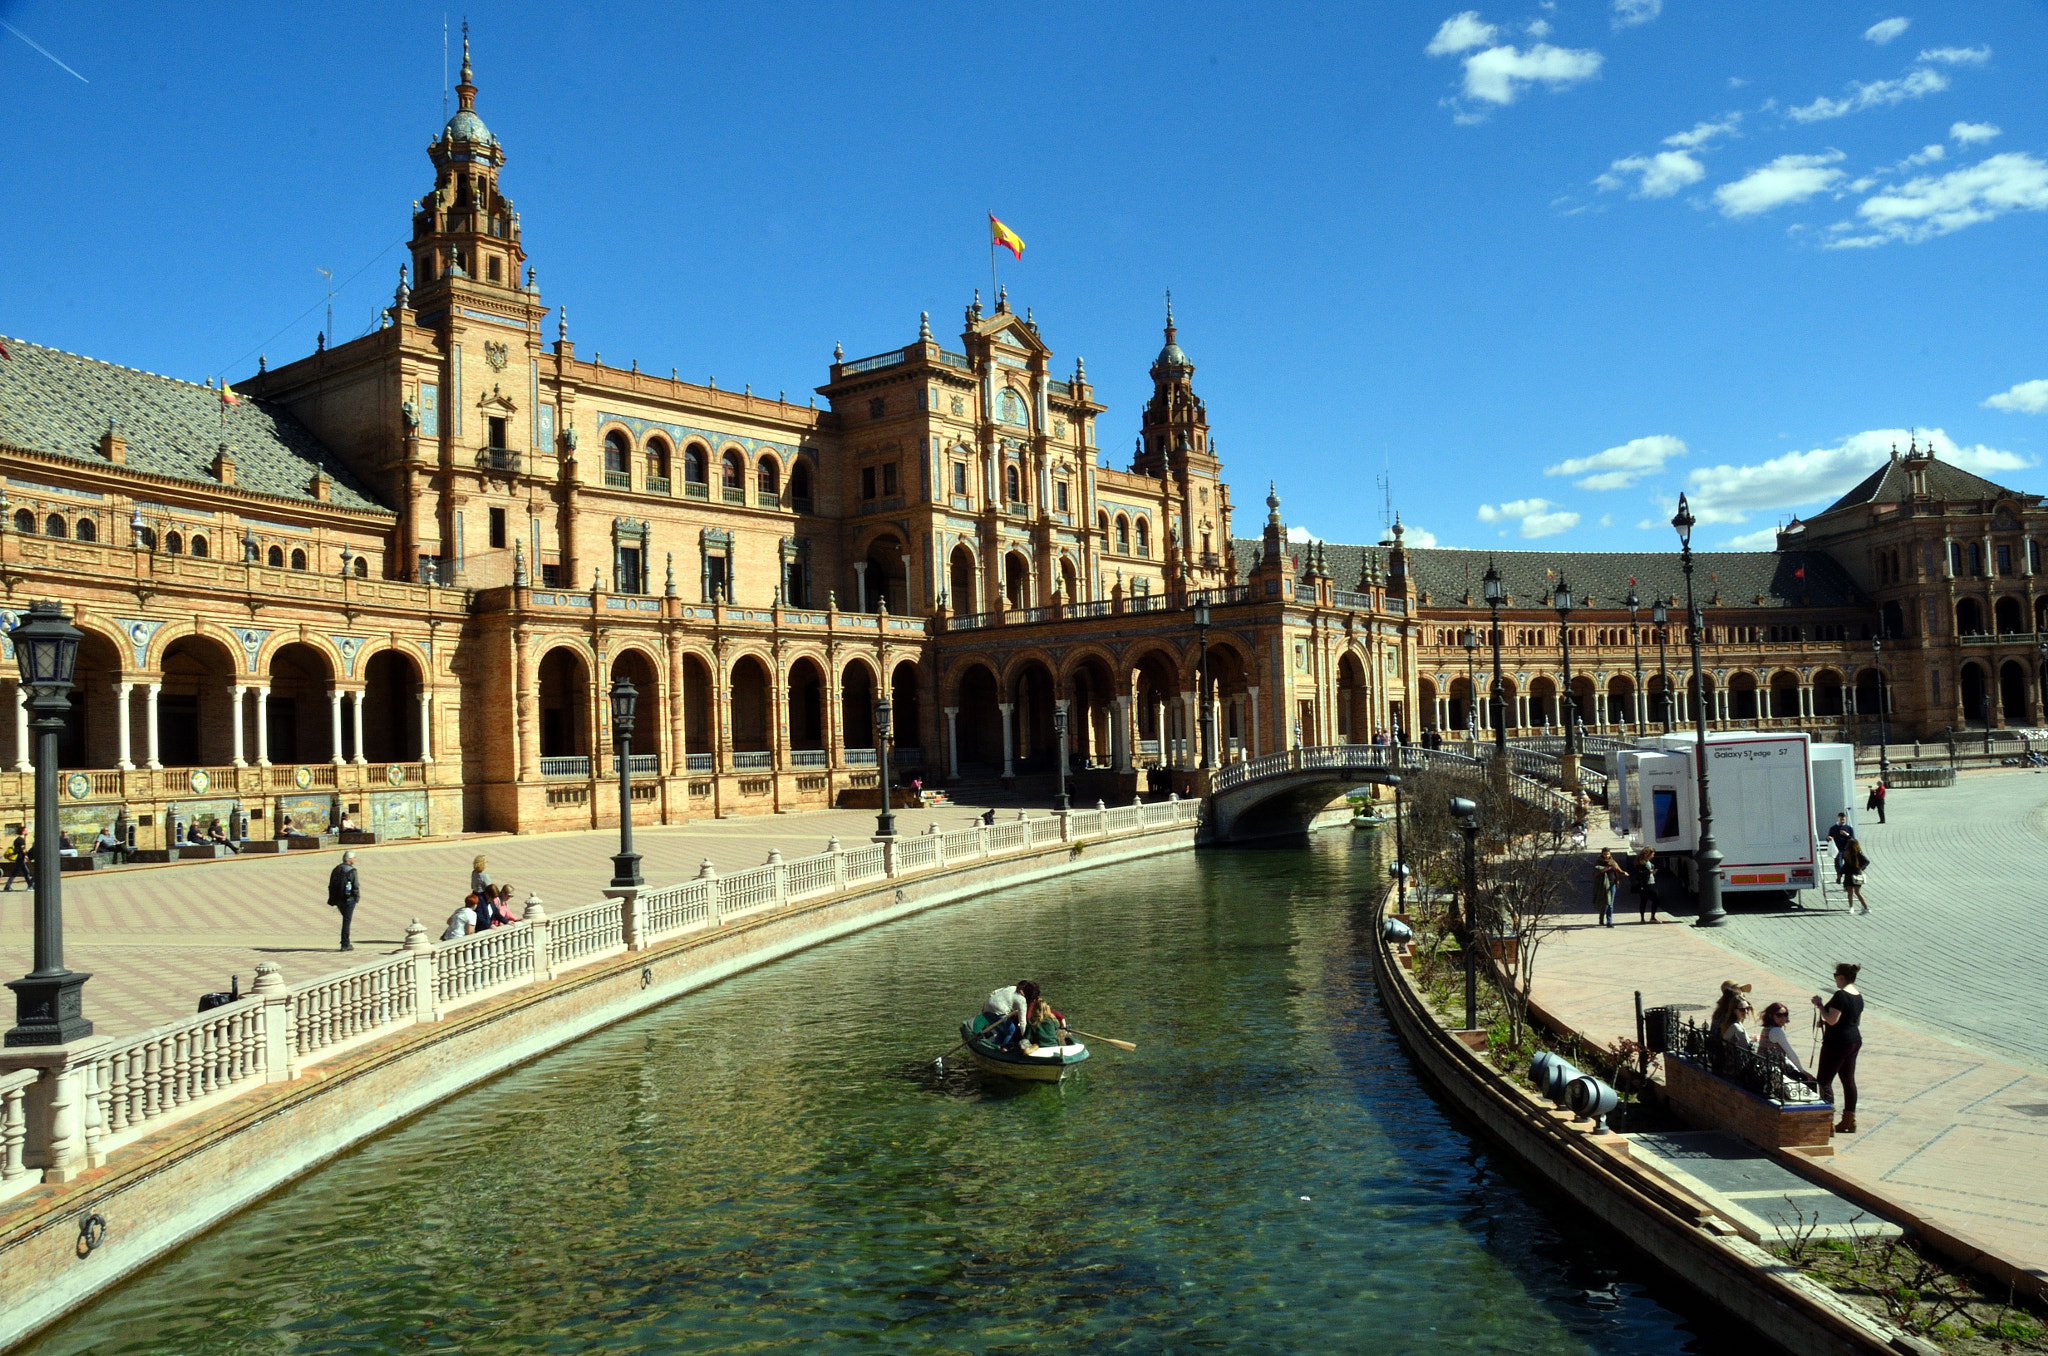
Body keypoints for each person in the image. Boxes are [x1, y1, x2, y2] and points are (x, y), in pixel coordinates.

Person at [1811, 964, 1864, 1134]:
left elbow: (1833, 1020)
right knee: (1848, 1080)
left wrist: (1819, 1006)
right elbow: (1851, 1019)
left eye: (1835, 975)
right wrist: (1825, 1021)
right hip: (1854, 1039)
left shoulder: (1840, 995)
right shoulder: (1858, 995)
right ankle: (1849, 1119)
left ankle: (1827, 1122)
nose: (1835, 979)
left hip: (1837, 1042)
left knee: (1824, 1080)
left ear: (1841, 977)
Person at [1757, 1001, 1816, 1087]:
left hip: (1765, 1066)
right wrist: (1803, 1071)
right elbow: (1790, 1053)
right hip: (1774, 1070)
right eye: (1779, 1015)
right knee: (1812, 1082)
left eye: (1785, 1014)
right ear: (1771, 1015)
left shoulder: (1766, 1029)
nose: (1783, 1018)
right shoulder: (1777, 1031)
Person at [1709, 980, 1754, 1076]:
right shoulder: (1729, 1019)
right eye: (1739, 991)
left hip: (1716, 1055)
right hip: (1726, 1061)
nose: (1743, 995)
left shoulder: (1719, 1012)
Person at [979, 980, 1040, 1048]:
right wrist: (1025, 1038)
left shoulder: (1011, 987)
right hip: (999, 1012)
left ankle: (996, 1046)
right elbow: (1022, 1022)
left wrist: (985, 1007)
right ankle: (1005, 1048)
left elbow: (994, 992)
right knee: (1011, 1031)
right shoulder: (1021, 1000)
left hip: (987, 1009)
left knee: (1001, 1032)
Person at [328, 849, 361, 951]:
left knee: (345, 919)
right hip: (348, 899)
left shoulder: (336, 869)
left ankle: (345, 942)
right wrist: (356, 897)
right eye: (354, 857)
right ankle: (345, 943)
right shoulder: (352, 871)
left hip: (338, 898)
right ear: (349, 859)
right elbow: (355, 886)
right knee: (347, 921)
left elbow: (331, 885)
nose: (355, 859)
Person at [1592, 847, 1626, 928]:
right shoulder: (1599, 863)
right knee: (1604, 904)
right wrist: (1604, 869)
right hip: (1603, 885)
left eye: (1608, 854)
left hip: (1612, 884)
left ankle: (1609, 922)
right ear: (1602, 854)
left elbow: (1618, 870)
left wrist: (1624, 873)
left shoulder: (1613, 862)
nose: (1606, 856)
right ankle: (1601, 918)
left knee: (1610, 903)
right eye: (1605, 854)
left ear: (1610, 854)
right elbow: (1594, 874)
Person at [1627, 846, 1660, 923]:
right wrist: (1649, 872)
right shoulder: (1641, 862)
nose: (1653, 856)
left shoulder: (1648, 861)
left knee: (1652, 900)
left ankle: (1650, 917)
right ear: (1648, 854)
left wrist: (1652, 872)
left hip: (1651, 882)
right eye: (1652, 854)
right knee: (1647, 900)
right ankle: (1645, 918)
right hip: (1645, 883)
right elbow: (1638, 873)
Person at [1825, 812, 1856, 888]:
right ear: (1838, 818)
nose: (1842, 821)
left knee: (1848, 866)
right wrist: (1829, 838)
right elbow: (1828, 838)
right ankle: (1839, 876)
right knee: (1838, 864)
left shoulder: (1849, 828)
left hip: (1847, 850)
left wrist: (1847, 835)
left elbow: (1853, 839)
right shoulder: (1833, 828)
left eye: (1843, 819)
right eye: (1841, 819)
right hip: (1837, 849)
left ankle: (1846, 882)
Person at [1843, 838, 1871, 915]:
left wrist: (1861, 867)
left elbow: (1866, 862)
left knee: (1853, 892)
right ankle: (1858, 907)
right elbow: (1846, 865)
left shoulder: (1857, 854)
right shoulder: (1848, 854)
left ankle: (1861, 907)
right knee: (1854, 892)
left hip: (1852, 874)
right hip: (1851, 874)